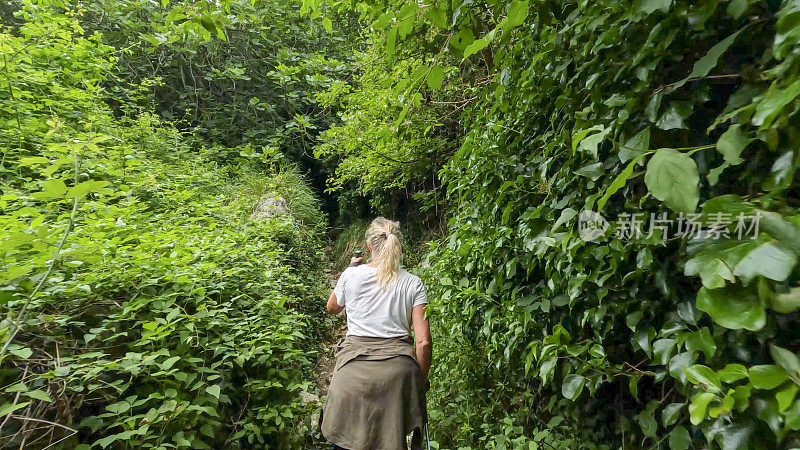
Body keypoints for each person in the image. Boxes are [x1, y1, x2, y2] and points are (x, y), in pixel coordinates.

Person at [321, 217, 432, 450]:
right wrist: (419, 380)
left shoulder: (352, 275)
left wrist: (351, 269)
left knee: (345, 441)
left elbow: (332, 307)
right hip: (398, 376)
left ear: (370, 247)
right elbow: (423, 343)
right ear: (397, 245)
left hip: (352, 375)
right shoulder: (413, 283)